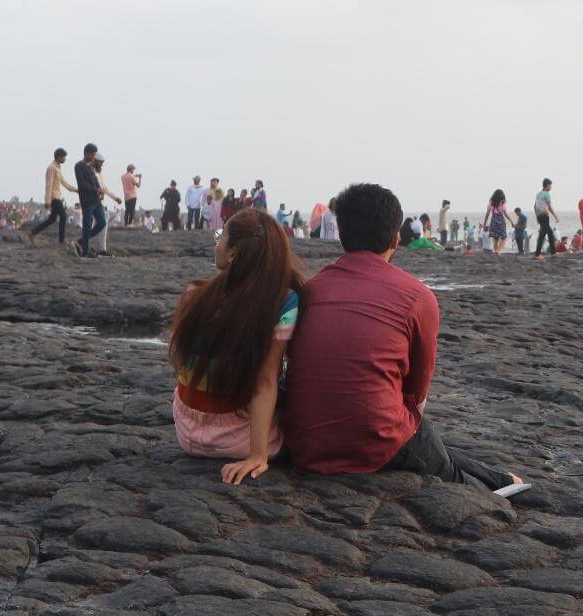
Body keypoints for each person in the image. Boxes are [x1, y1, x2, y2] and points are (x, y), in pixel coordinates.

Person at [283, 183, 523, 492]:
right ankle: (503, 486)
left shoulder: (309, 290)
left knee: (426, 441)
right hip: (374, 444)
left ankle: (501, 478)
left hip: (306, 443)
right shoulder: (416, 296)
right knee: (436, 458)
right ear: (396, 238)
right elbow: (417, 392)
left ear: (341, 233)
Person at [169, 209, 306, 484]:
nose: (217, 243)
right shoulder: (283, 302)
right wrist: (258, 455)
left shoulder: (193, 294)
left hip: (186, 432)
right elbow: (264, 382)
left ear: (233, 253)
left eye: (221, 237)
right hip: (237, 440)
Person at [28, 148, 78, 246]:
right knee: (63, 216)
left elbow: (63, 182)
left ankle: (32, 233)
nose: (65, 159)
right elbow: (48, 184)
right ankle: (61, 240)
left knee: (52, 219)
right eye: (64, 157)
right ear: (59, 157)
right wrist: (47, 201)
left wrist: (75, 190)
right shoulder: (51, 167)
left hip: (58, 196)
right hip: (54, 197)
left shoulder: (57, 167)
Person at [74, 144, 105, 258]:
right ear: (86, 153)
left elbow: (95, 181)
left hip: (96, 201)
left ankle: (81, 241)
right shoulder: (79, 166)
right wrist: (95, 189)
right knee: (87, 226)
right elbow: (81, 184)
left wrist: (100, 191)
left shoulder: (91, 167)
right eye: (92, 154)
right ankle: (85, 251)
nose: (93, 157)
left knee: (102, 223)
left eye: (94, 154)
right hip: (87, 201)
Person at [93, 156, 123, 255]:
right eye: (100, 163)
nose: (101, 165)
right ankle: (83, 243)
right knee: (98, 225)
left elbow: (104, 189)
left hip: (98, 202)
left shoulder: (99, 174)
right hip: (91, 201)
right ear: (95, 161)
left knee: (103, 225)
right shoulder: (90, 172)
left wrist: (115, 198)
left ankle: (102, 249)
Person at [533, 178, 559, 259]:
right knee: (542, 235)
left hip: (540, 216)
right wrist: (555, 216)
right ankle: (537, 254)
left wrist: (537, 217)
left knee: (550, 234)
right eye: (550, 185)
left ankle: (553, 252)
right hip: (544, 216)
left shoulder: (539, 193)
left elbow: (535, 206)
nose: (551, 187)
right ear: (547, 185)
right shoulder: (547, 194)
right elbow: (549, 207)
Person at [483, 189, 514, 255]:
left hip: (493, 221)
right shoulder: (502, 203)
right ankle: (499, 250)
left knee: (495, 238)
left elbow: (487, 215)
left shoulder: (491, 203)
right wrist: (511, 221)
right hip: (501, 221)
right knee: (504, 238)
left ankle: (496, 251)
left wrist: (484, 224)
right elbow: (505, 214)